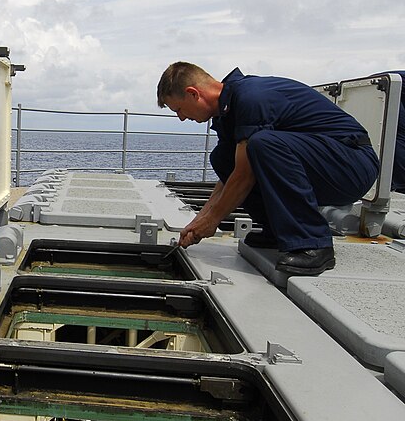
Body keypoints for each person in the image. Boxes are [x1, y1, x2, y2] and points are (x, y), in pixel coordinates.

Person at [157, 62, 380, 276]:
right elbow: (230, 177)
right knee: (222, 157)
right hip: (324, 164)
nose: (182, 117)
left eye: (178, 109)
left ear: (193, 93)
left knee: (263, 143)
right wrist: (198, 222)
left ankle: (313, 243)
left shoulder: (251, 98)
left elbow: (244, 176)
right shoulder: (228, 112)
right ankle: (277, 231)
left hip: (352, 165)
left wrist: (212, 221)